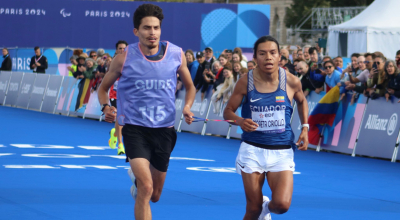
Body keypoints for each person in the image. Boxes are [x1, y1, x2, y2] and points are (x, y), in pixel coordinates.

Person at [97, 4, 195, 220]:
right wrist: (106, 107)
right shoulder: (124, 58)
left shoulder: (177, 54)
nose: (152, 33)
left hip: (164, 131)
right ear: (136, 31)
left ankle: (136, 182)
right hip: (134, 130)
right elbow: (103, 88)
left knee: (156, 195)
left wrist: (187, 107)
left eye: (156, 28)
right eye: (147, 28)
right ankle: (140, 183)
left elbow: (190, 87)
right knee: (147, 188)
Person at [224, 36, 309, 220]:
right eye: (262, 54)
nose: (268, 57)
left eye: (272, 53)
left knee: (281, 205)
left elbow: (302, 102)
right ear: (255, 57)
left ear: (280, 57)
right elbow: (228, 112)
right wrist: (240, 121)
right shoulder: (246, 81)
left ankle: (266, 207)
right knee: (252, 210)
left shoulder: (292, 81)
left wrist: (305, 127)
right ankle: (259, 209)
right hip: (253, 150)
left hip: (282, 150)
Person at [108, 40, 129, 155]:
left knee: (124, 120)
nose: (122, 50)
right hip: (115, 95)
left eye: (124, 48)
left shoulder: (131, 61)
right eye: (120, 48)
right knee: (119, 118)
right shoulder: (113, 62)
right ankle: (120, 145)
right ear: (116, 50)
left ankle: (115, 134)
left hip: (127, 95)